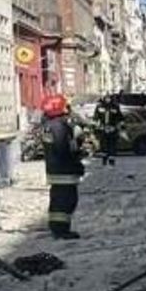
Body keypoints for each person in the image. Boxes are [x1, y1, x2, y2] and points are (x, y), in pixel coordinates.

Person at [41, 95, 86, 240]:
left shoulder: (49, 125)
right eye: (65, 106)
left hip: (55, 171)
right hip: (64, 171)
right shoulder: (59, 126)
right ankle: (62, 230)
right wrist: (77, 162)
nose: (68, 109)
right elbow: (64, 150)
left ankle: (57, 228)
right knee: (66, 201)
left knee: (58, 200)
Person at [92, 94, 124, 166]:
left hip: (112, 128)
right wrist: (94, 126)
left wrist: (121, 126)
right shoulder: (100, 107)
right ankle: (104, 159)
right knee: (103, 145)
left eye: (109, 98)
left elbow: (120, 117)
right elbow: (95, 117)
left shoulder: (115, 107)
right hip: (103, 128)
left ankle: (111, 160)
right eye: (106, 98)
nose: (107, 100)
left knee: (112, 145)